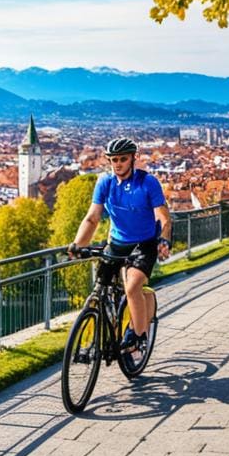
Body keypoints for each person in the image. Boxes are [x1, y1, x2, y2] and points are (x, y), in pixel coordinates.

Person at [68, 137, 172, 351]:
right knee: (101, 288)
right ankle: (101, 334)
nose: (118, 164)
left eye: (123, 159)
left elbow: (163, 216)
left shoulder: (147, 182)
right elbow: (92, 218)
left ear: (133, 158)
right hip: (116, 243)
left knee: (132, 286)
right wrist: (78, 245)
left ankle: (139, 334)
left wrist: (164, 238)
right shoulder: (104, 183)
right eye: (114, 159)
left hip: (144, 244)